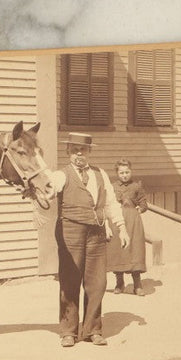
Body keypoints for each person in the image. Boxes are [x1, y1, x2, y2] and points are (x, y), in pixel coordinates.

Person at [54, 132, 129, 347]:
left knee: (98, 282)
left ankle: (92, 330)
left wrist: (122, 227)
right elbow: (48, 189)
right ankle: (68, 331)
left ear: (90, 152)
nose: (79, 154)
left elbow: (111, 203)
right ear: (68, 152)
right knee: (70, 279)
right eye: (75, 150)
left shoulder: (101, 175)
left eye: (84, 150)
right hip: (70, 230)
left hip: (96, 232)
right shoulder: (61, 175)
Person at [107, 160, 149, 296]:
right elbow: (108, 204)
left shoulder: (137, 186)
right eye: (121, 172)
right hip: (117, 221)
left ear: (131, 171)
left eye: (127, 172)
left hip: (133, 221)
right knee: (118, 250)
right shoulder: (112, 187)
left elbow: (144, 203)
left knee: (135, 250)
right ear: (117, 173)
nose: (124, 175)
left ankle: (137, 284)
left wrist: (140, 208)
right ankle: (119, 283)